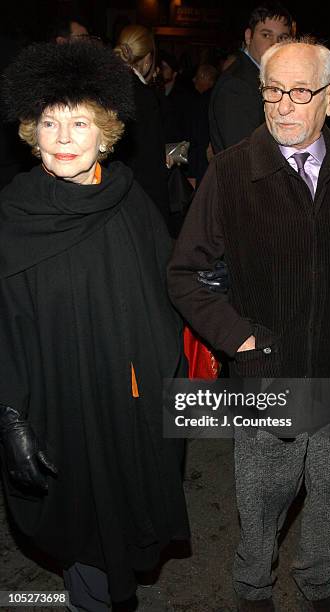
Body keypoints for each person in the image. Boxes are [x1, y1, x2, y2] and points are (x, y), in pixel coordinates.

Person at [168, 38, 330, 612]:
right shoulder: (233, 173)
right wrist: (245, 341)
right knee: (263, 495)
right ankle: (253, 588)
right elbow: (185, 274)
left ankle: (318, 583)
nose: (283, 107)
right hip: (266, 375)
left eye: (300, 92)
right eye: (273, 91)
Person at [0, 41, 189, 612]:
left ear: (105, 131)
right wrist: (10, 416)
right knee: (86, 533)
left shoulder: (129, 200)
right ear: (32, 131)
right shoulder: (15, 215)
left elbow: (164, 291)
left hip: (127, 404)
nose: (61, 137)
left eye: (78, 121)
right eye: (50, 122)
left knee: (125, 518)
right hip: (58, 409)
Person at [208, 1, 294, 153]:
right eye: (266, 35)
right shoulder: (237, 85)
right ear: (249, 37)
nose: (274, 44)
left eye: (282, 38)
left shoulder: (261, 78)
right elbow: (245, 156)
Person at [114, 24, 171, 230]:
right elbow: (150, 167)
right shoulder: (143, 96)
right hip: (139, 202)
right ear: (148, 59)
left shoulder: (106, 87)